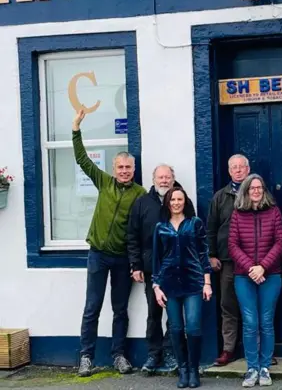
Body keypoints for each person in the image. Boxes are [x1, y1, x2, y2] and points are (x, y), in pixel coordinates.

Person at [73, 109, 146, 377]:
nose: (124, 171)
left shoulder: (141, 195)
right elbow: (82, 159)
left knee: (120, 309)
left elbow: (143, 230)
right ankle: (86, 357)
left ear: (134, 170)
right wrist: (76, 128)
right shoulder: (104, 182)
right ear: (114, 169)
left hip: (123, 258)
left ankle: (119, 355)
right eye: (120, 168)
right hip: (98, 255)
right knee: (92, 307)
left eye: (128, 168)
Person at [228, 174, 282, 388]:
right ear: (245, 190)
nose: (256, 191)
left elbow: (280, 243)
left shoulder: (274, 212)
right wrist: (251, 268)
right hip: (244, 276)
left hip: (271, 275)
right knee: (250, 323)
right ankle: (251, 368)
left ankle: (264, 368)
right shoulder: (237, 214)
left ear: (263, 190)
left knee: (266, 321)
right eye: (251, 188)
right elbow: (232, 245)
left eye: (259, 187)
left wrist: (263, 266)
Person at [152, 187, 212, 388]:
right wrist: (156, 286)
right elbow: (156, 259)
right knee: (176, 329)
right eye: (173, 199)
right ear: (167, 203)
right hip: (169, 284)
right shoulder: (160, 227)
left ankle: (194, 369)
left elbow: (203, 253)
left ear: (185, 202)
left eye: (180, 199)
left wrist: (207, 282)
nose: (176, 203)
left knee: (193, 327)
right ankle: (183, 368)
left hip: (194, 282)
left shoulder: (195, 224)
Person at [127, 164, 184, 373]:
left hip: (177, 268)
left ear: (173, 178)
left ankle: (171, 353)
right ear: (153, 180)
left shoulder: (182, 201)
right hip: (152, 268)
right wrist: (135, 265)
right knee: (154, 313)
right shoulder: (142, 203)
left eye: (167, 177)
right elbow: (132, 236)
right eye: (160, 177)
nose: (164, 181)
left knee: (174, 314)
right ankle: (153, 354)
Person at [207, 154, 250, 366]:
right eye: (234, 167)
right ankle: (228, 349)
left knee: (255, 306)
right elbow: (211, 228)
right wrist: (212, 254)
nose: (238, 170)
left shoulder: (258, 192)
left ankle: (260, 349)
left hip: (253, 261)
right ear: (229, 171)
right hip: (227, 260)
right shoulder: (220, 197)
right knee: (228, 306)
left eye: (242, 167)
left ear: (248, 169)